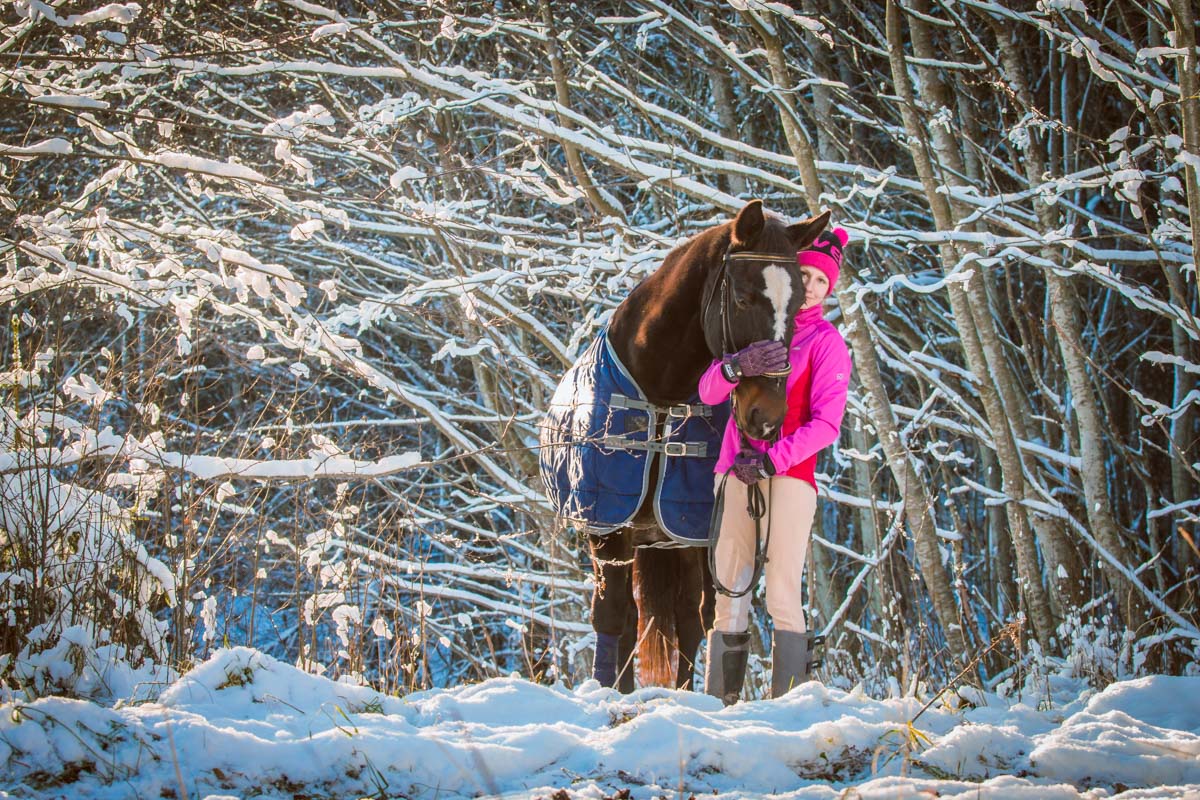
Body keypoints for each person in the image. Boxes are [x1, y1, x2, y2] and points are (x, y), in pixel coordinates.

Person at [697, 228, 852, 704]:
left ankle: (790, 707)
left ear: (830, 290)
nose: (809, 286)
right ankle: (720, 706)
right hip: (733, 471)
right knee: (730, 588)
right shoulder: (755, 330)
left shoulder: (828, 344)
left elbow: (827, 425)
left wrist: (770, 460)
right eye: (802, 275)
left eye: (820, 282)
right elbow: (708, 393)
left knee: (783, 588)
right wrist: (734, 366)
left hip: (789, 476)